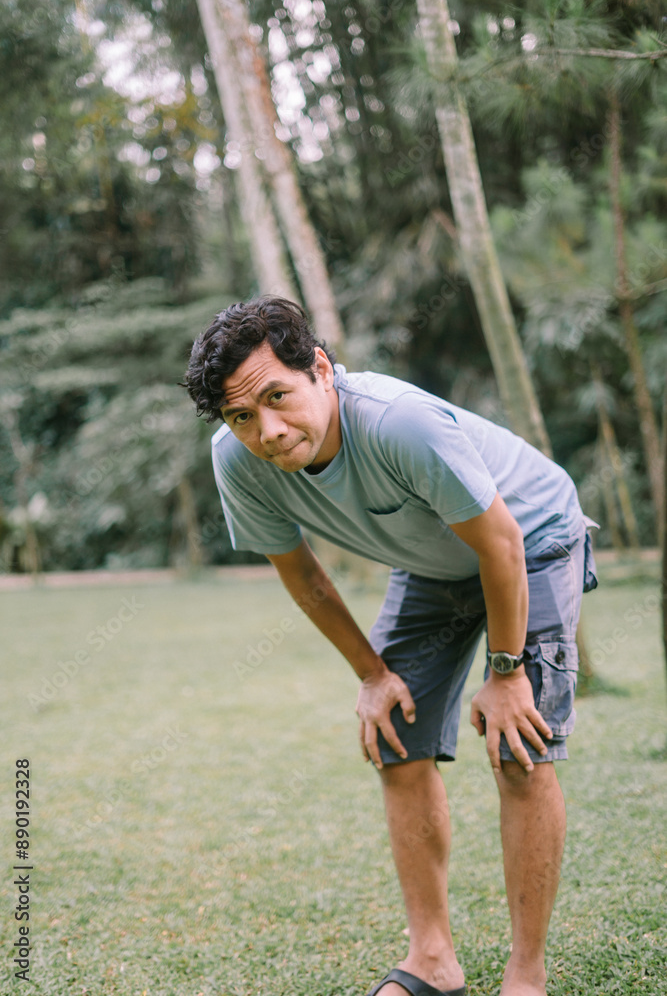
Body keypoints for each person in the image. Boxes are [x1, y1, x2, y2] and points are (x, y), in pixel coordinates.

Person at [181, 296, 598, 996]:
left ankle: (526, 975)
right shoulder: (236, 459)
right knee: (396, 738)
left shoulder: (396, 422)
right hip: (436, 562)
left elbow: (499, 542)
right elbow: (300, 573)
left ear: (318, 368)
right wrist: (371, 673)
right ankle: (431, 962)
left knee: (516, 747)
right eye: (242, 416)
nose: (269, 432)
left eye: (277, 398)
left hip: (529, 541)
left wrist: (505, 673)